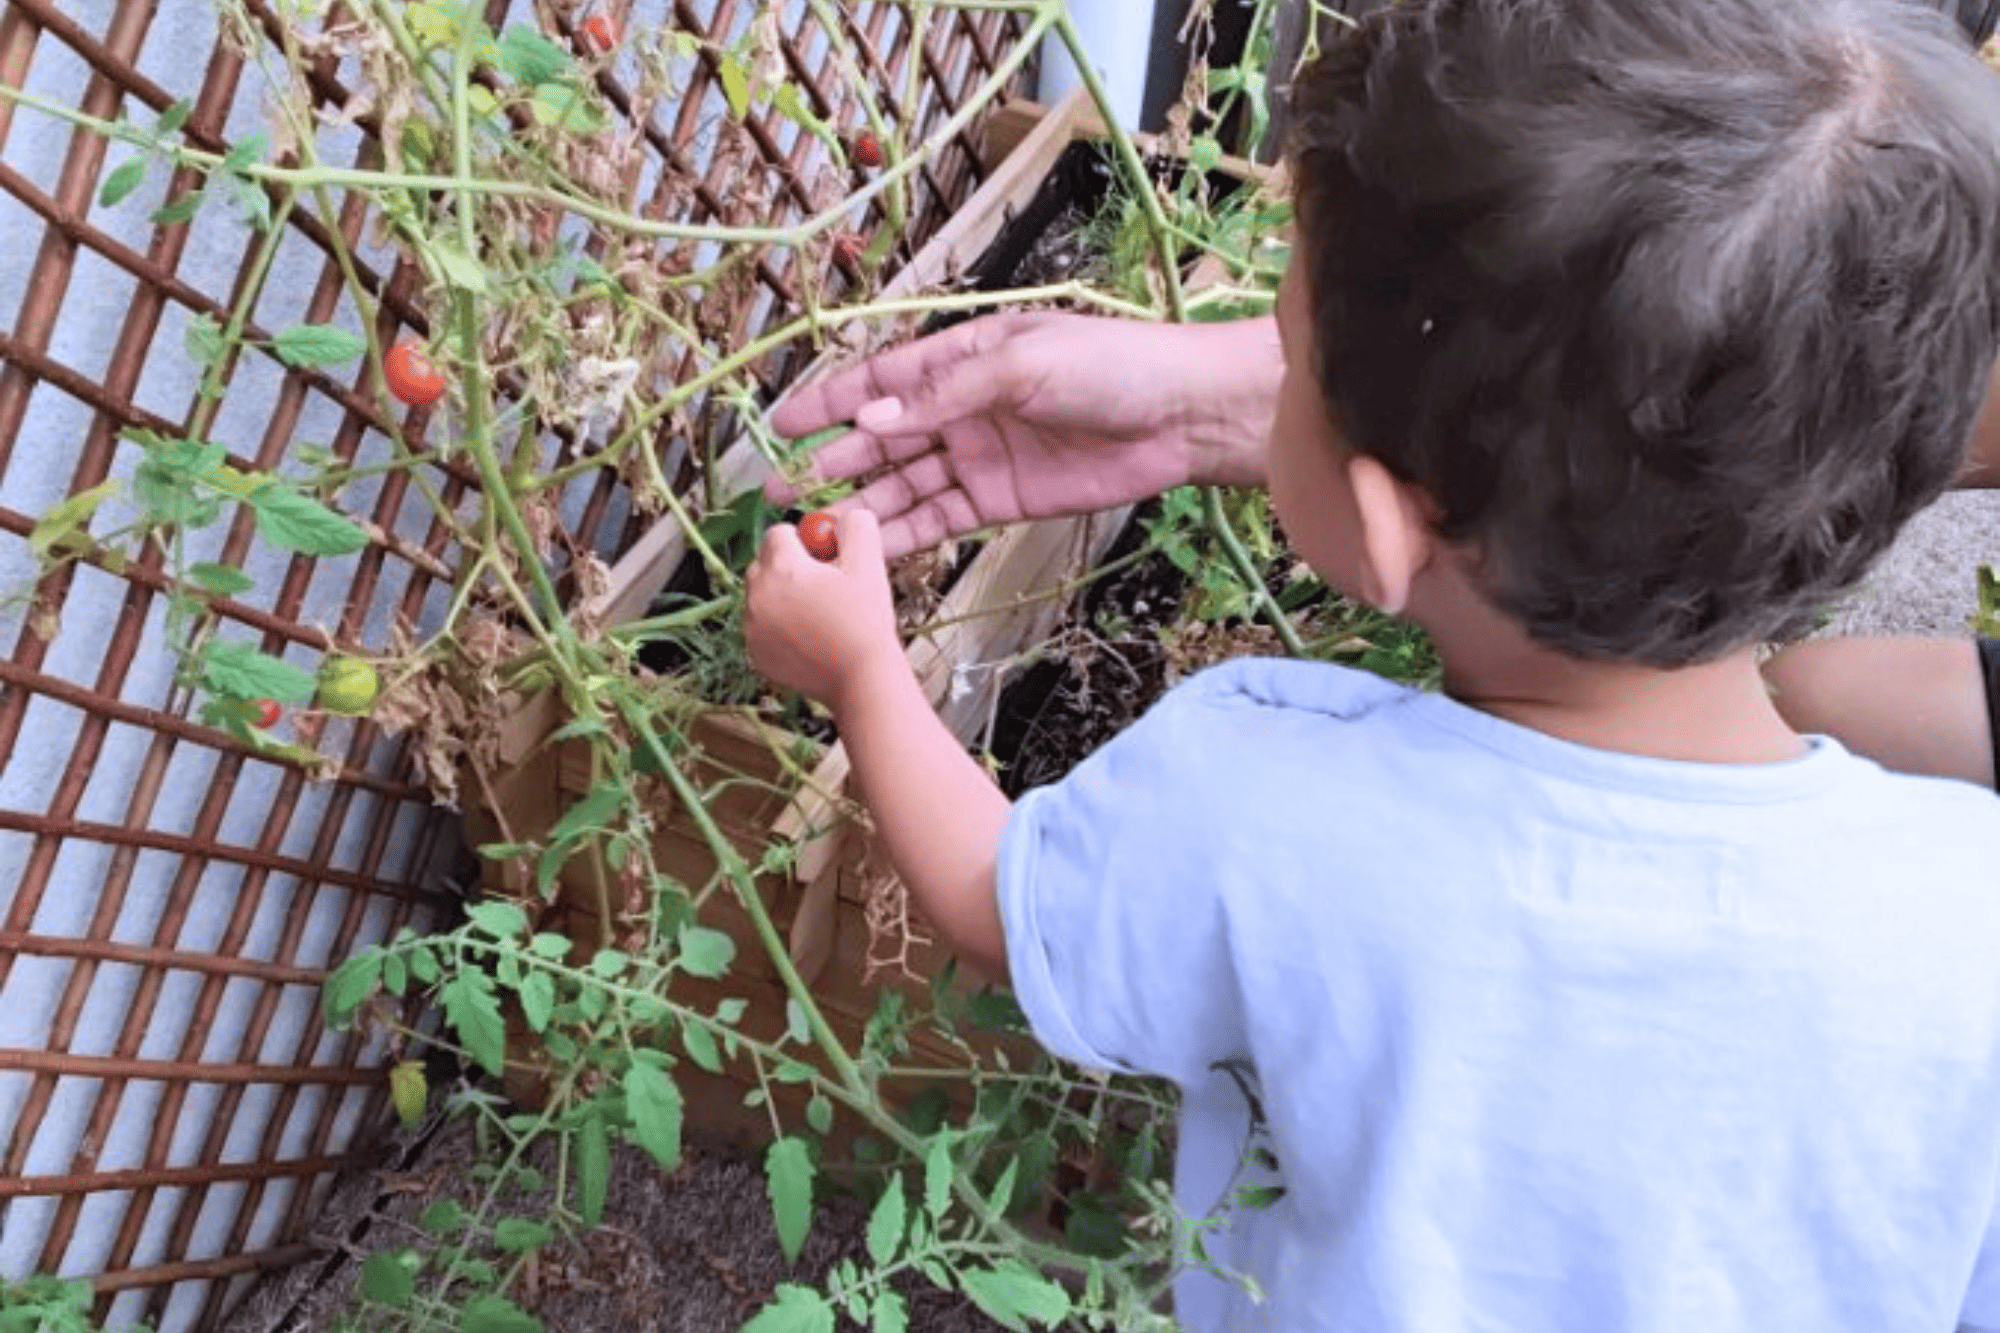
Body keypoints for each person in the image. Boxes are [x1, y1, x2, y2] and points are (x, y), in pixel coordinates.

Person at [744, 1, 2000, 1329]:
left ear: (1387, 526)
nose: (1270, 376)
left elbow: (1005, 905)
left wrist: (863, 669)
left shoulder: (1260, 791)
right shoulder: (1970, 907)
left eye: (1284, 361)